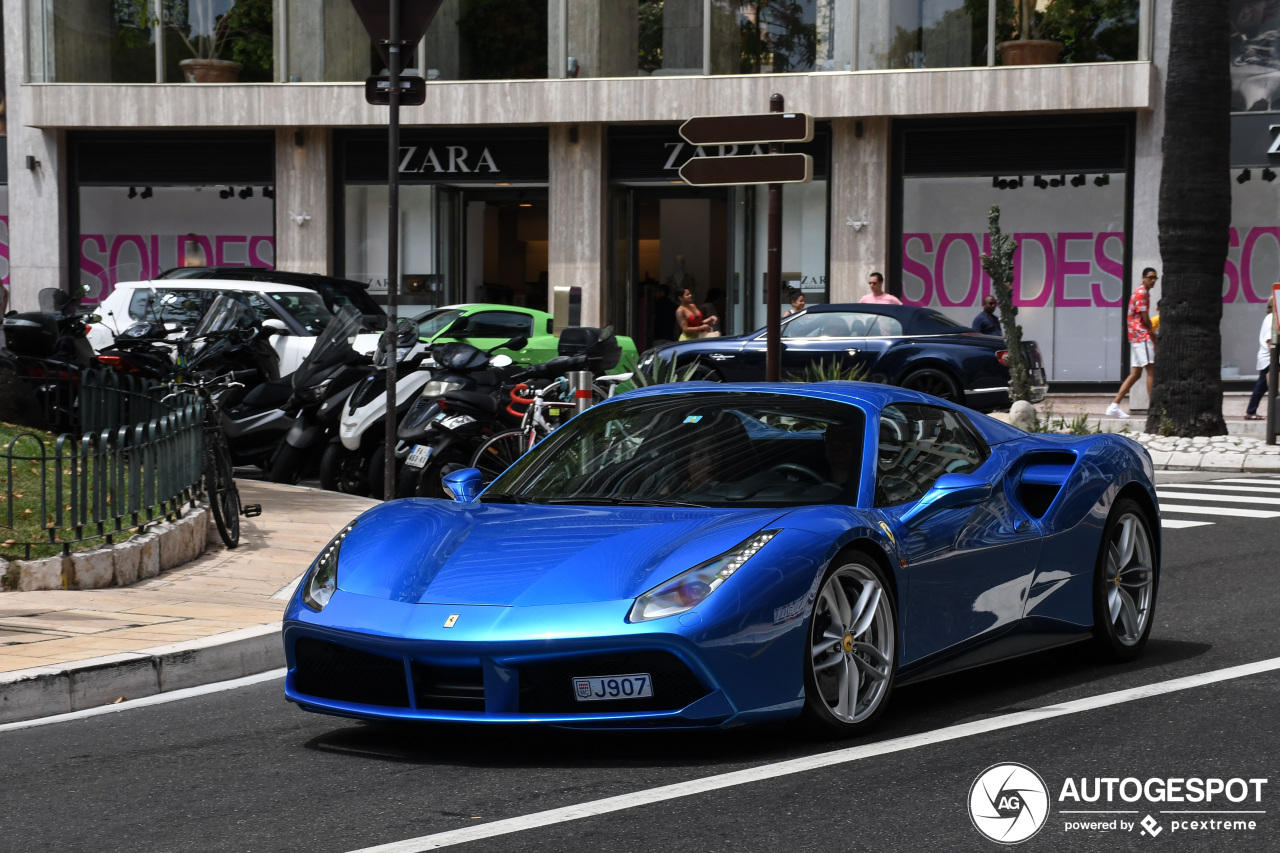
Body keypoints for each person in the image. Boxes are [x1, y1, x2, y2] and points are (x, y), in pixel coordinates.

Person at [1106, 268, 1158, 419]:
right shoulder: (1143, 293)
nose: (1153, 280)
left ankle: (1114, 405)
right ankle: (1153, 409)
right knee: (1151, 371)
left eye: (1155, 277)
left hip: (1135, 336)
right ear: (1143, 278)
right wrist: (1152, 332)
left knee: (1135, 374)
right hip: (1141, 336)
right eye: (1150, 277)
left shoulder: (1140, 291)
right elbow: (1145, 318)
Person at [1246, 295, 1276, 420]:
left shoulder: (1273, 318)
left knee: (1263, 385)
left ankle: (1251, 411)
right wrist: (1275, 360)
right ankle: (1250, 412)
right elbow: (1270, 342)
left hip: (1269, 359)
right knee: (1262, 385)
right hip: (1269, 359)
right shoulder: (1271, 319)